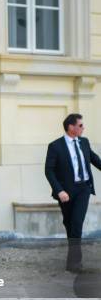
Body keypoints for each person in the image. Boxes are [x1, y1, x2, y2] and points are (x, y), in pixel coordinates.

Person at [45, 114, 101, 271]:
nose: (84, 128)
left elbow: (95, 159)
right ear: (71, 127)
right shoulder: (55, 146)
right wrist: (59, 190)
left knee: (76, 224)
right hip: (66, 192)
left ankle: (75, 263)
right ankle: (72, 261)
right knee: (70, 225)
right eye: (81, 125)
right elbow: (49, 171)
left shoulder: (84, 142)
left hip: (84, 188)